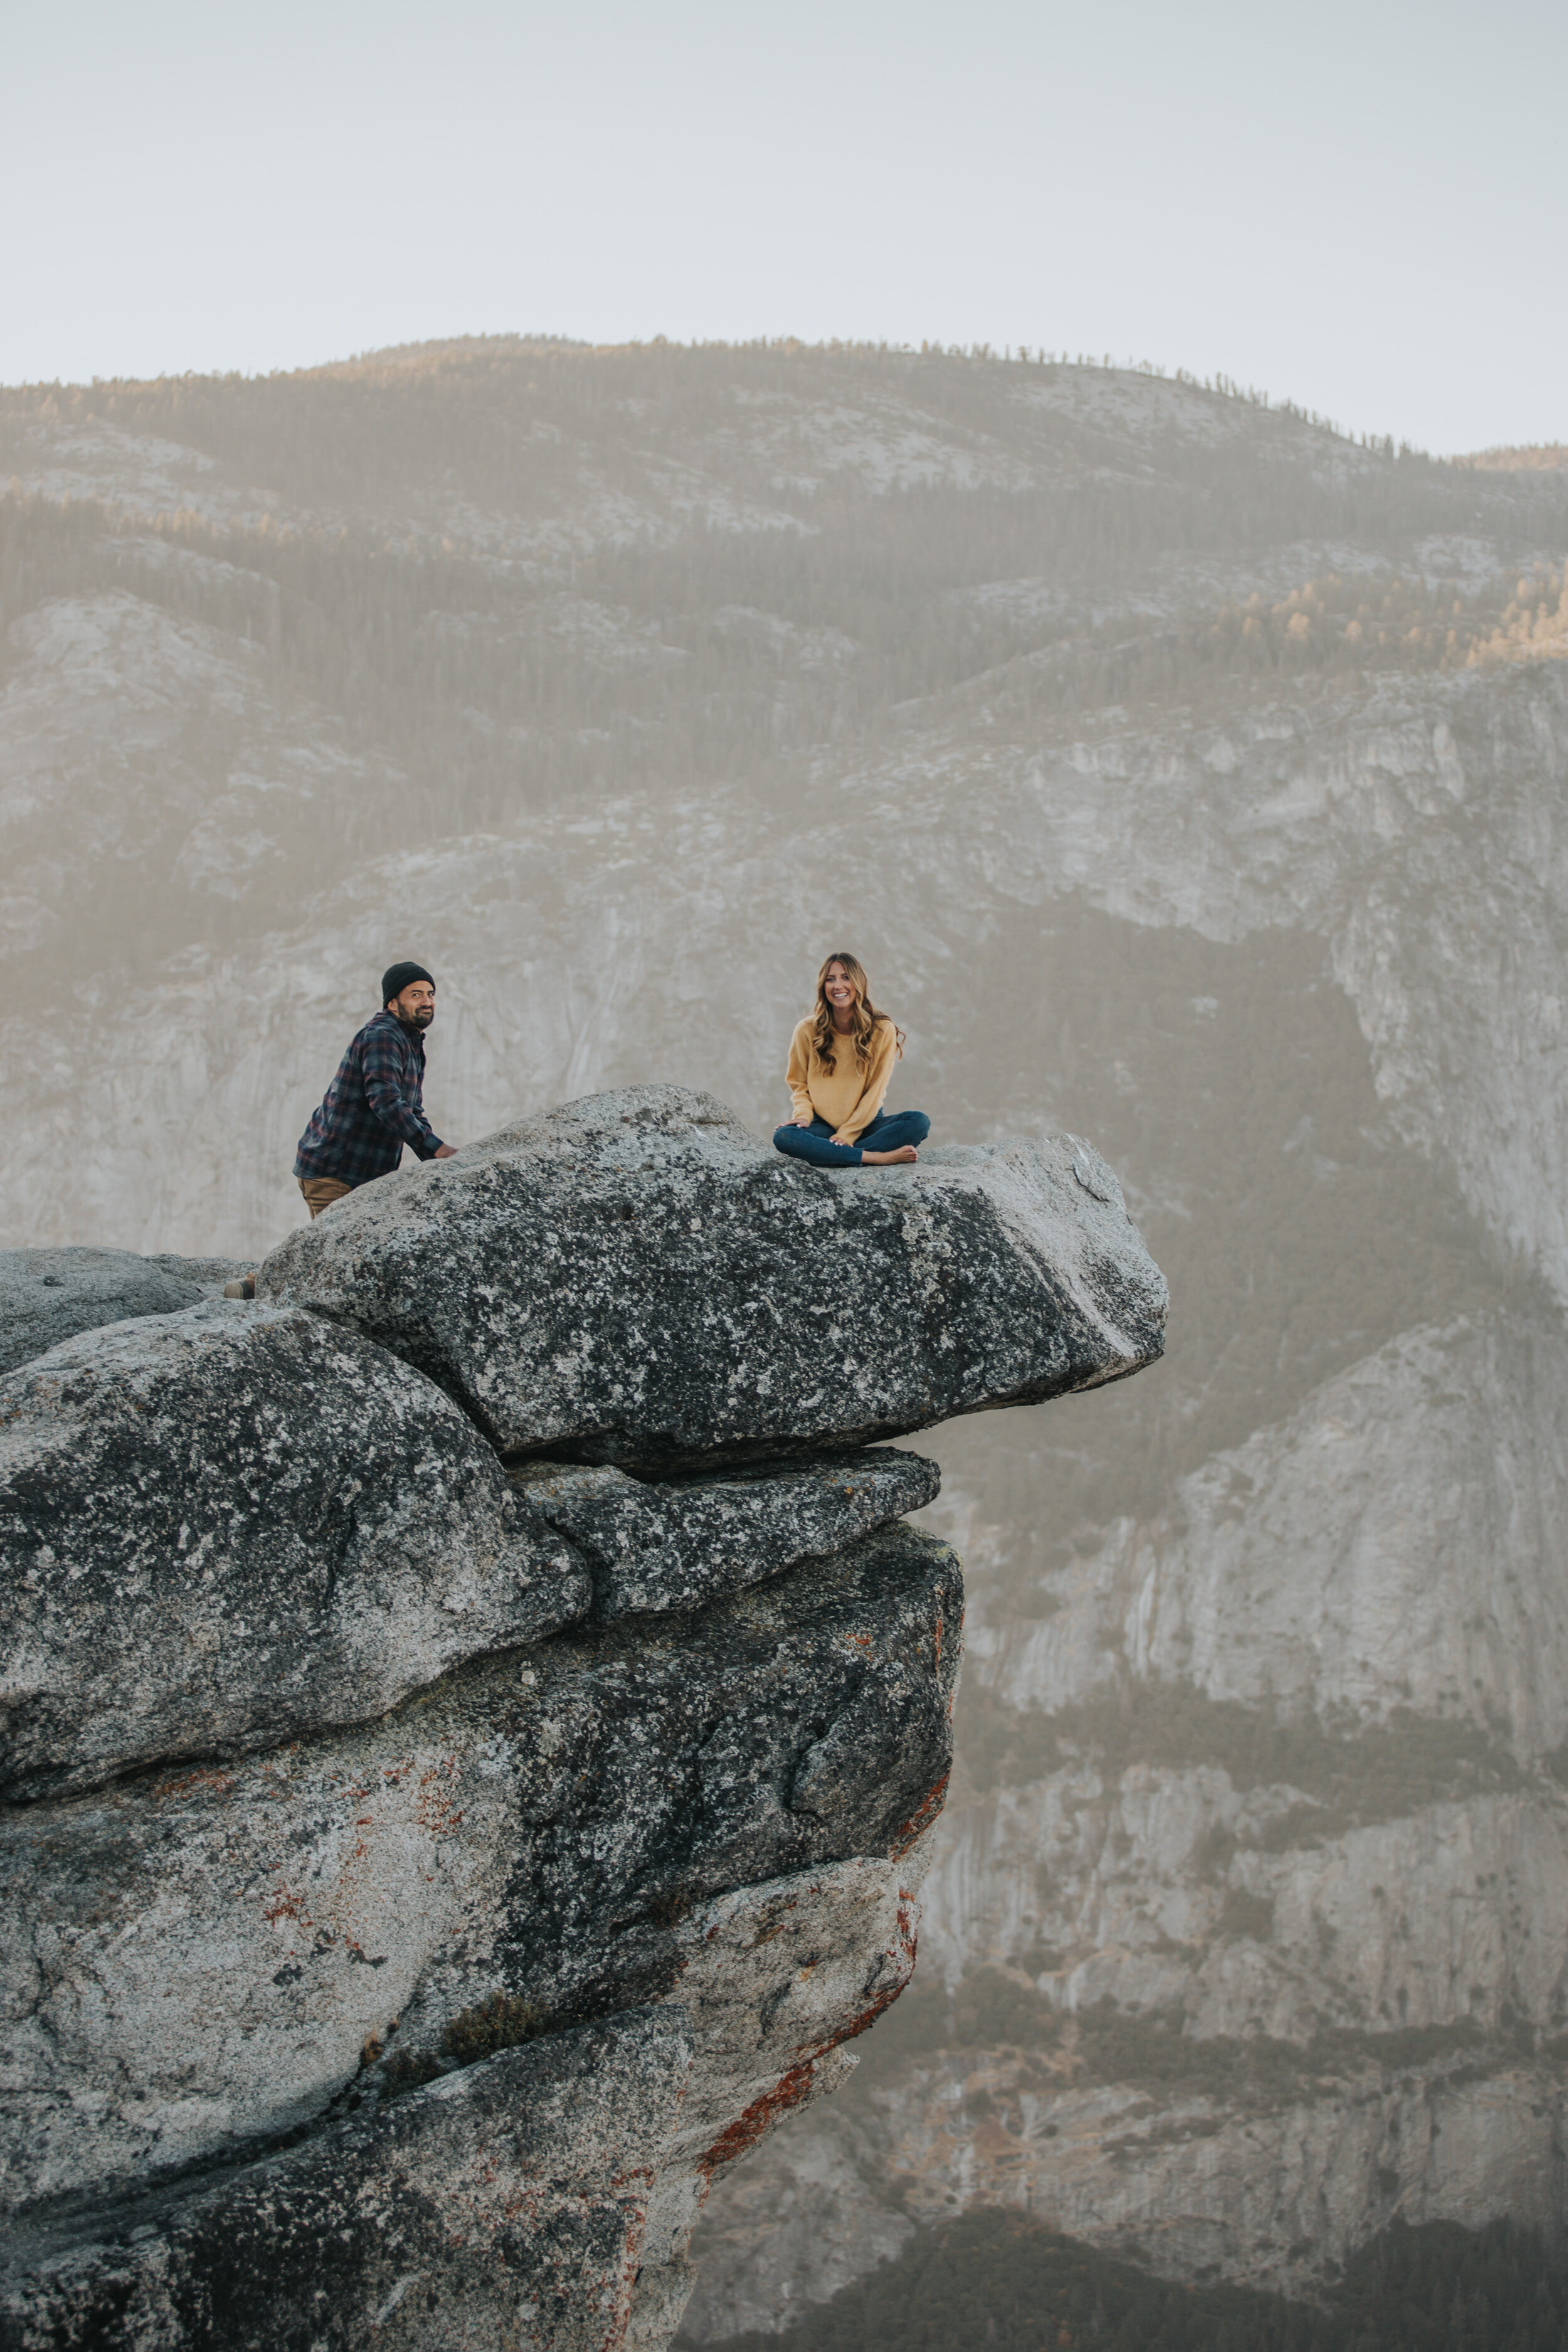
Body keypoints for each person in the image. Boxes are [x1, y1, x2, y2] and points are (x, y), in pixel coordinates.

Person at [222, 960, 456, 1298]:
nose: (427, 1001)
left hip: (363, 1172)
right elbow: (386, 1102)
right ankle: (254, 1288)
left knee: (340, 1251)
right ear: (393, 1002)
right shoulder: (382, 1037)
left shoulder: (410, 1042)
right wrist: (436, 1149)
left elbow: (412, 1108)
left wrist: (432, 1155)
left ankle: (255, 1285)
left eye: (431, 994)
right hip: (335, 1168)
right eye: (415, 994)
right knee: (335, 1254)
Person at [773, 953, 930, 1169]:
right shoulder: (807, 1029)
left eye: (846, 977)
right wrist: (803, 1116)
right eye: (830, 979)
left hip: (867, 1124)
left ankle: (835, 1155)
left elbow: (875, 1091)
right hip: (822, 1125)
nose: (838, 985)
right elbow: (799, 1084)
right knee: (784, 1136)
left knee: (918, 1122)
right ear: (823, 986)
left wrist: (848, 1134)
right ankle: (873, 1158)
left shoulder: (881, 1029)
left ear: (859, 983)